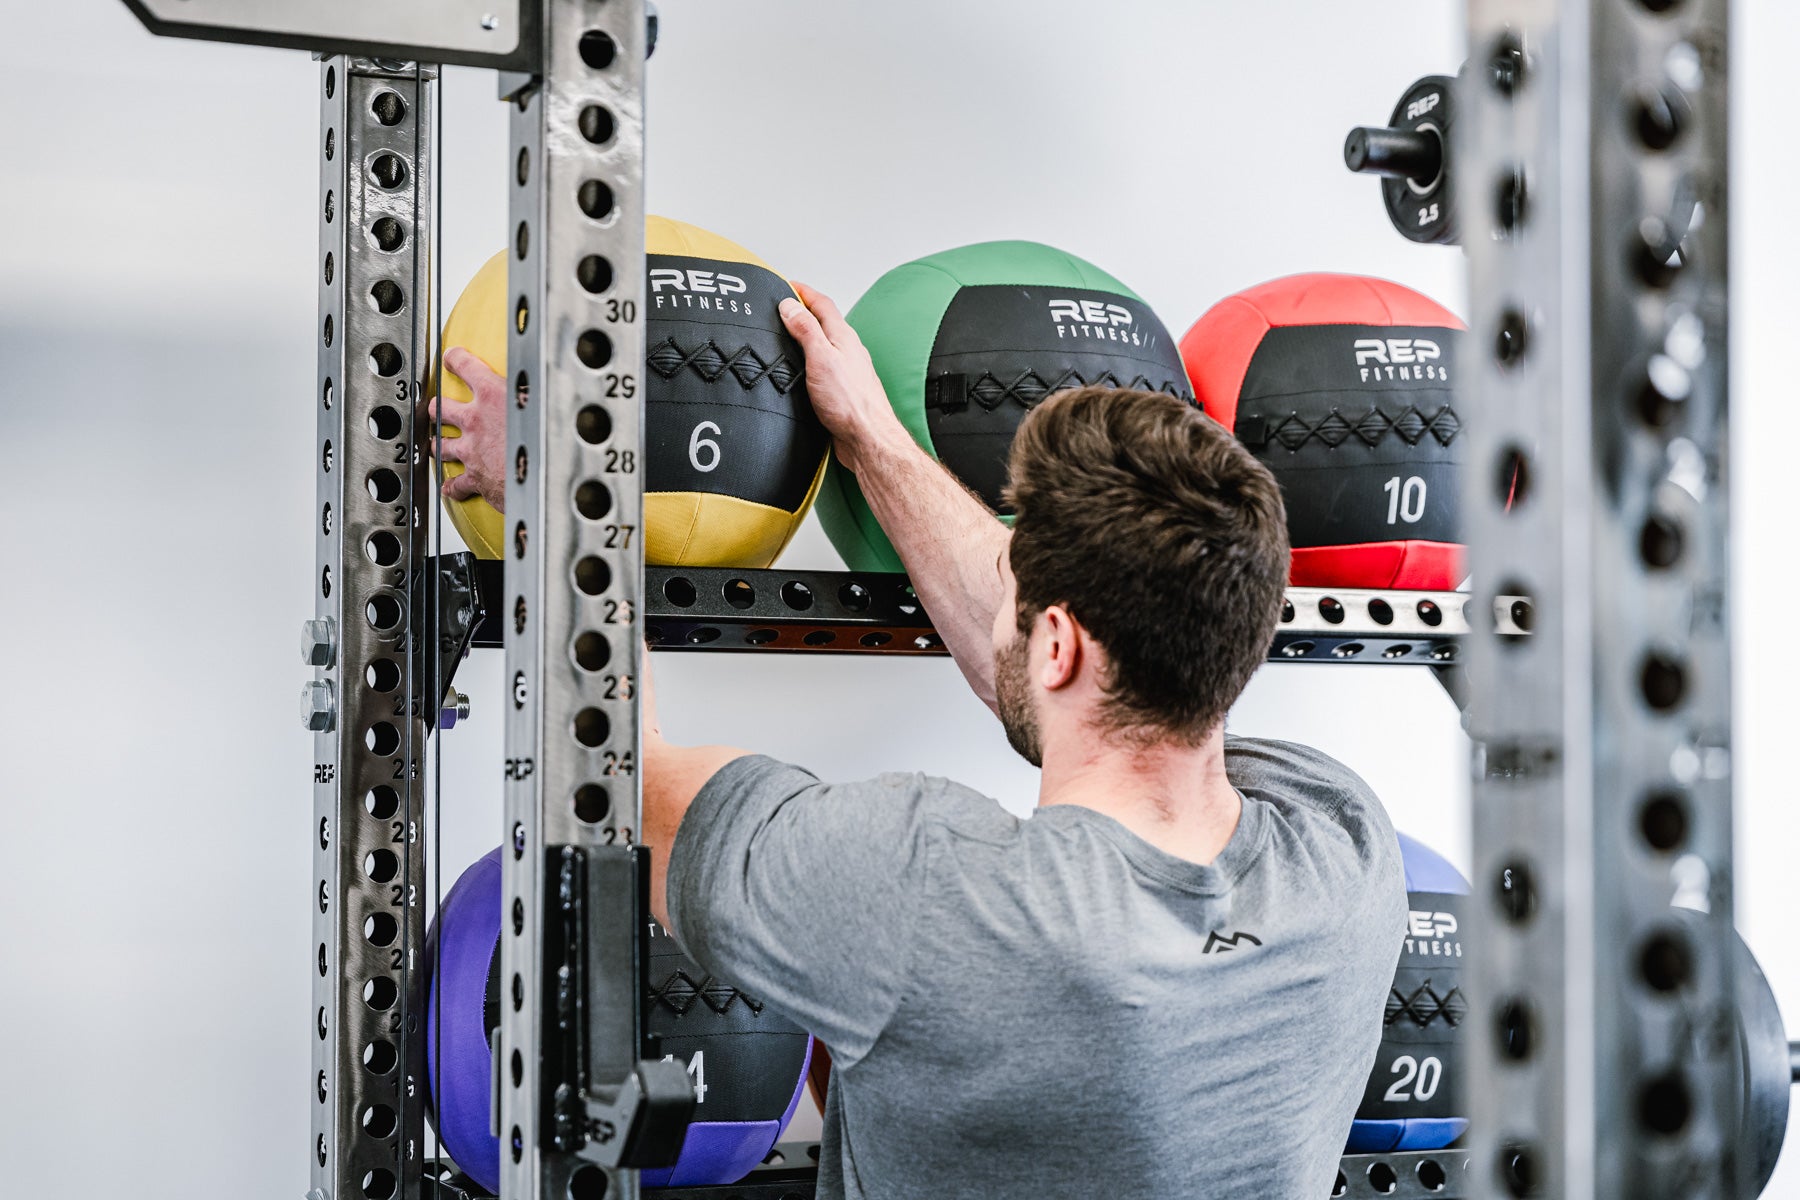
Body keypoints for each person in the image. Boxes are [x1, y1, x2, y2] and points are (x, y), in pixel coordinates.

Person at [430, 286, 1405, 1198]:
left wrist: (560, 501)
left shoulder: (925, 896)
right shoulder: (1346, 847)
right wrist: (871, 441)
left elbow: (621, 791)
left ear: (1058, 642)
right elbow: (1067, 677)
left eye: (1019, 599)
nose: (1003, 609)